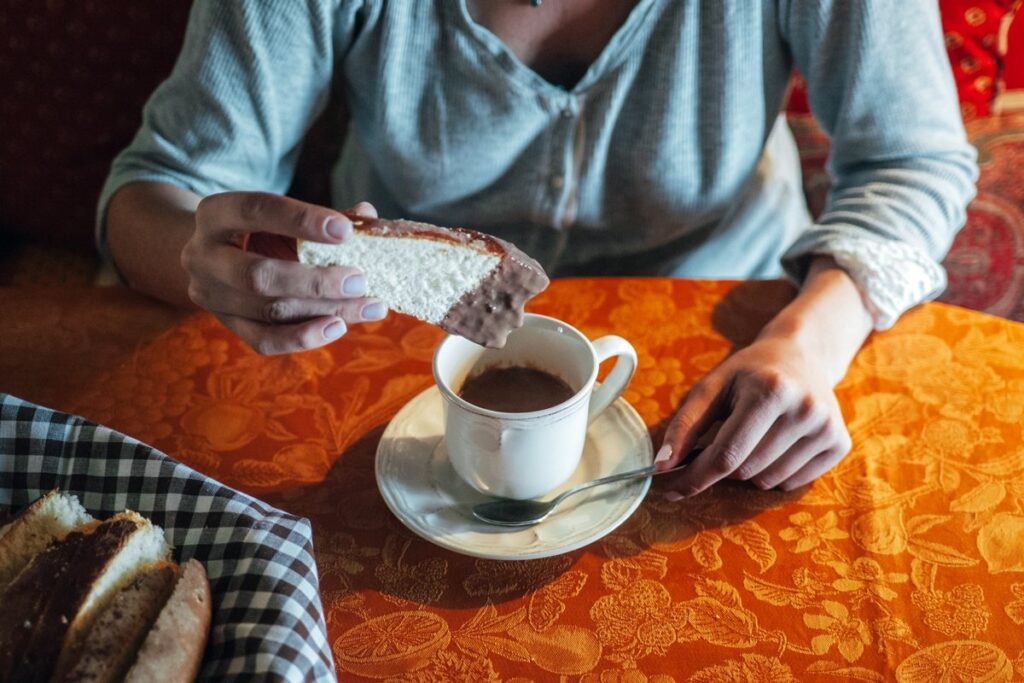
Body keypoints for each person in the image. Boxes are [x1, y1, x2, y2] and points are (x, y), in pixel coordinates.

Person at [99, 1, 977, 498]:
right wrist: (200, 258)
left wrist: (808, 343)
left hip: (728, 356)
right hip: (394, 360)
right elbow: (157, 188)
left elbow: (916, 157)